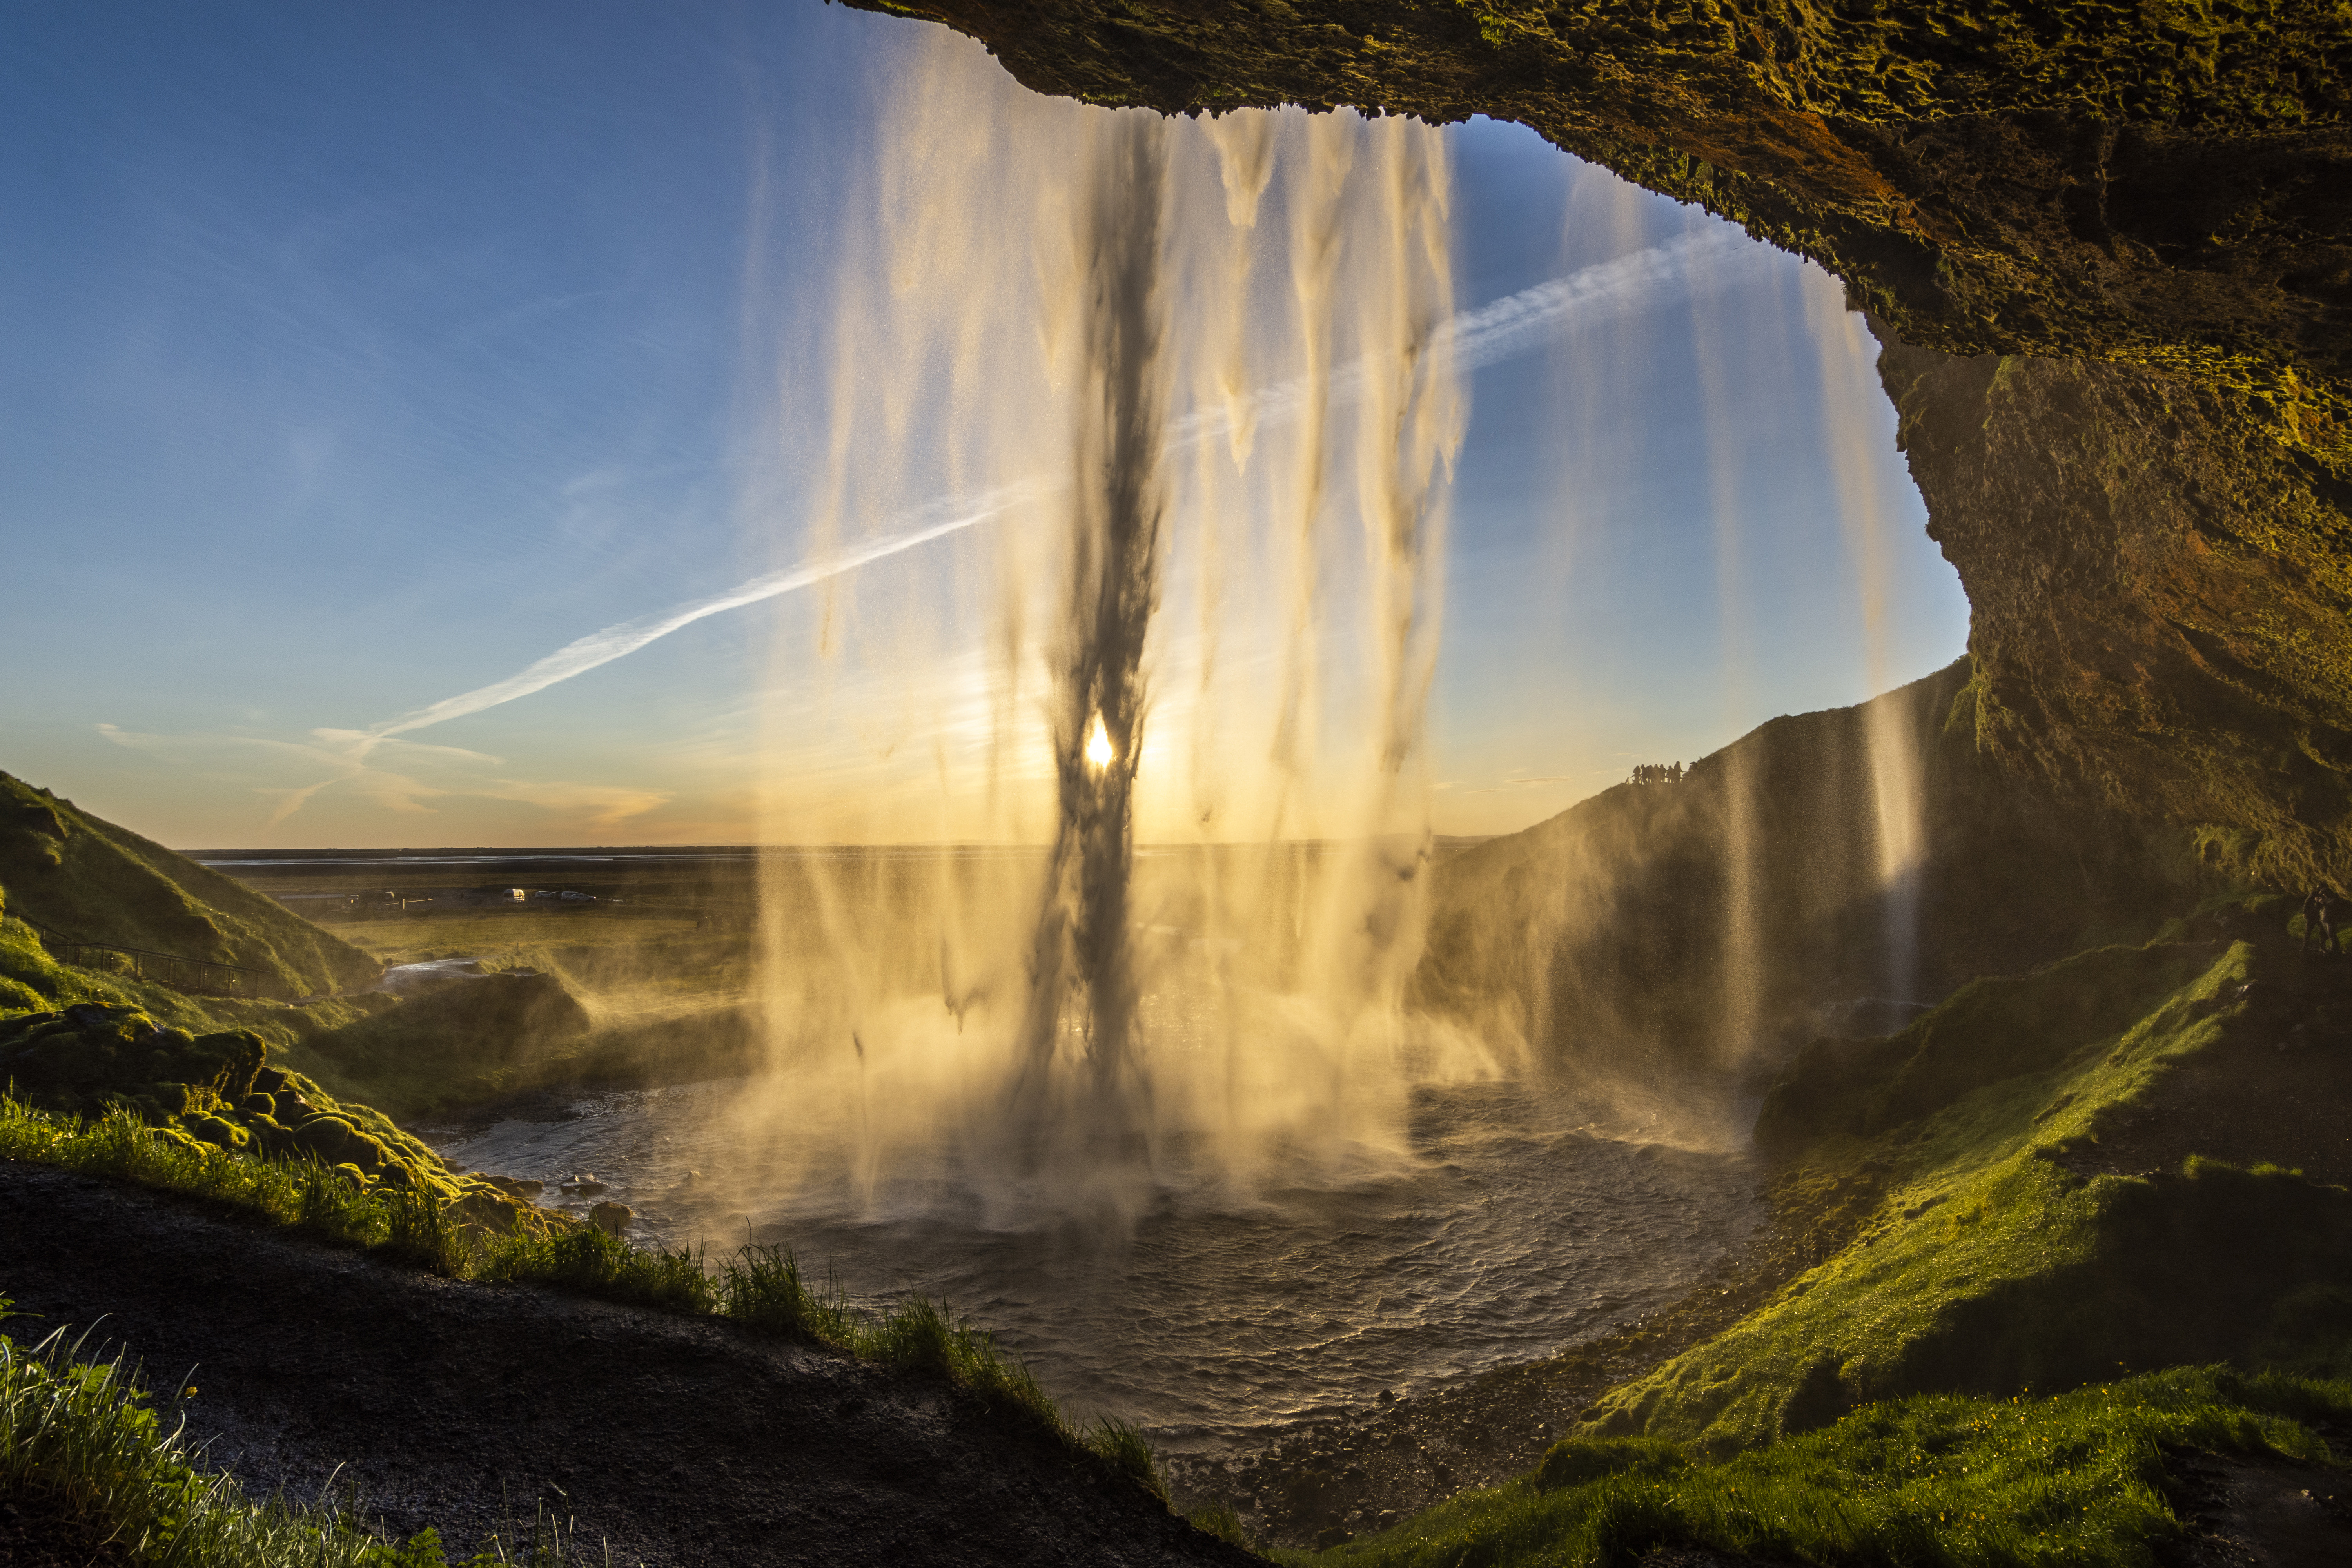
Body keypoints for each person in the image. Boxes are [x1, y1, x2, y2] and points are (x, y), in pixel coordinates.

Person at [2305, 887, 2341, 955]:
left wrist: (2323, 902)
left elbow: (2332, 907)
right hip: (2324, 920)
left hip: (2330, 920)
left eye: (2323, 895)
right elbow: (2318, 908)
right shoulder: (2324, 901)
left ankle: (2335, 949)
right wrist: (2317, 902)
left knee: (2332, 934)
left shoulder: (2332, 900)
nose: (2322, 896)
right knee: (2329, 934)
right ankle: (2333, 948)